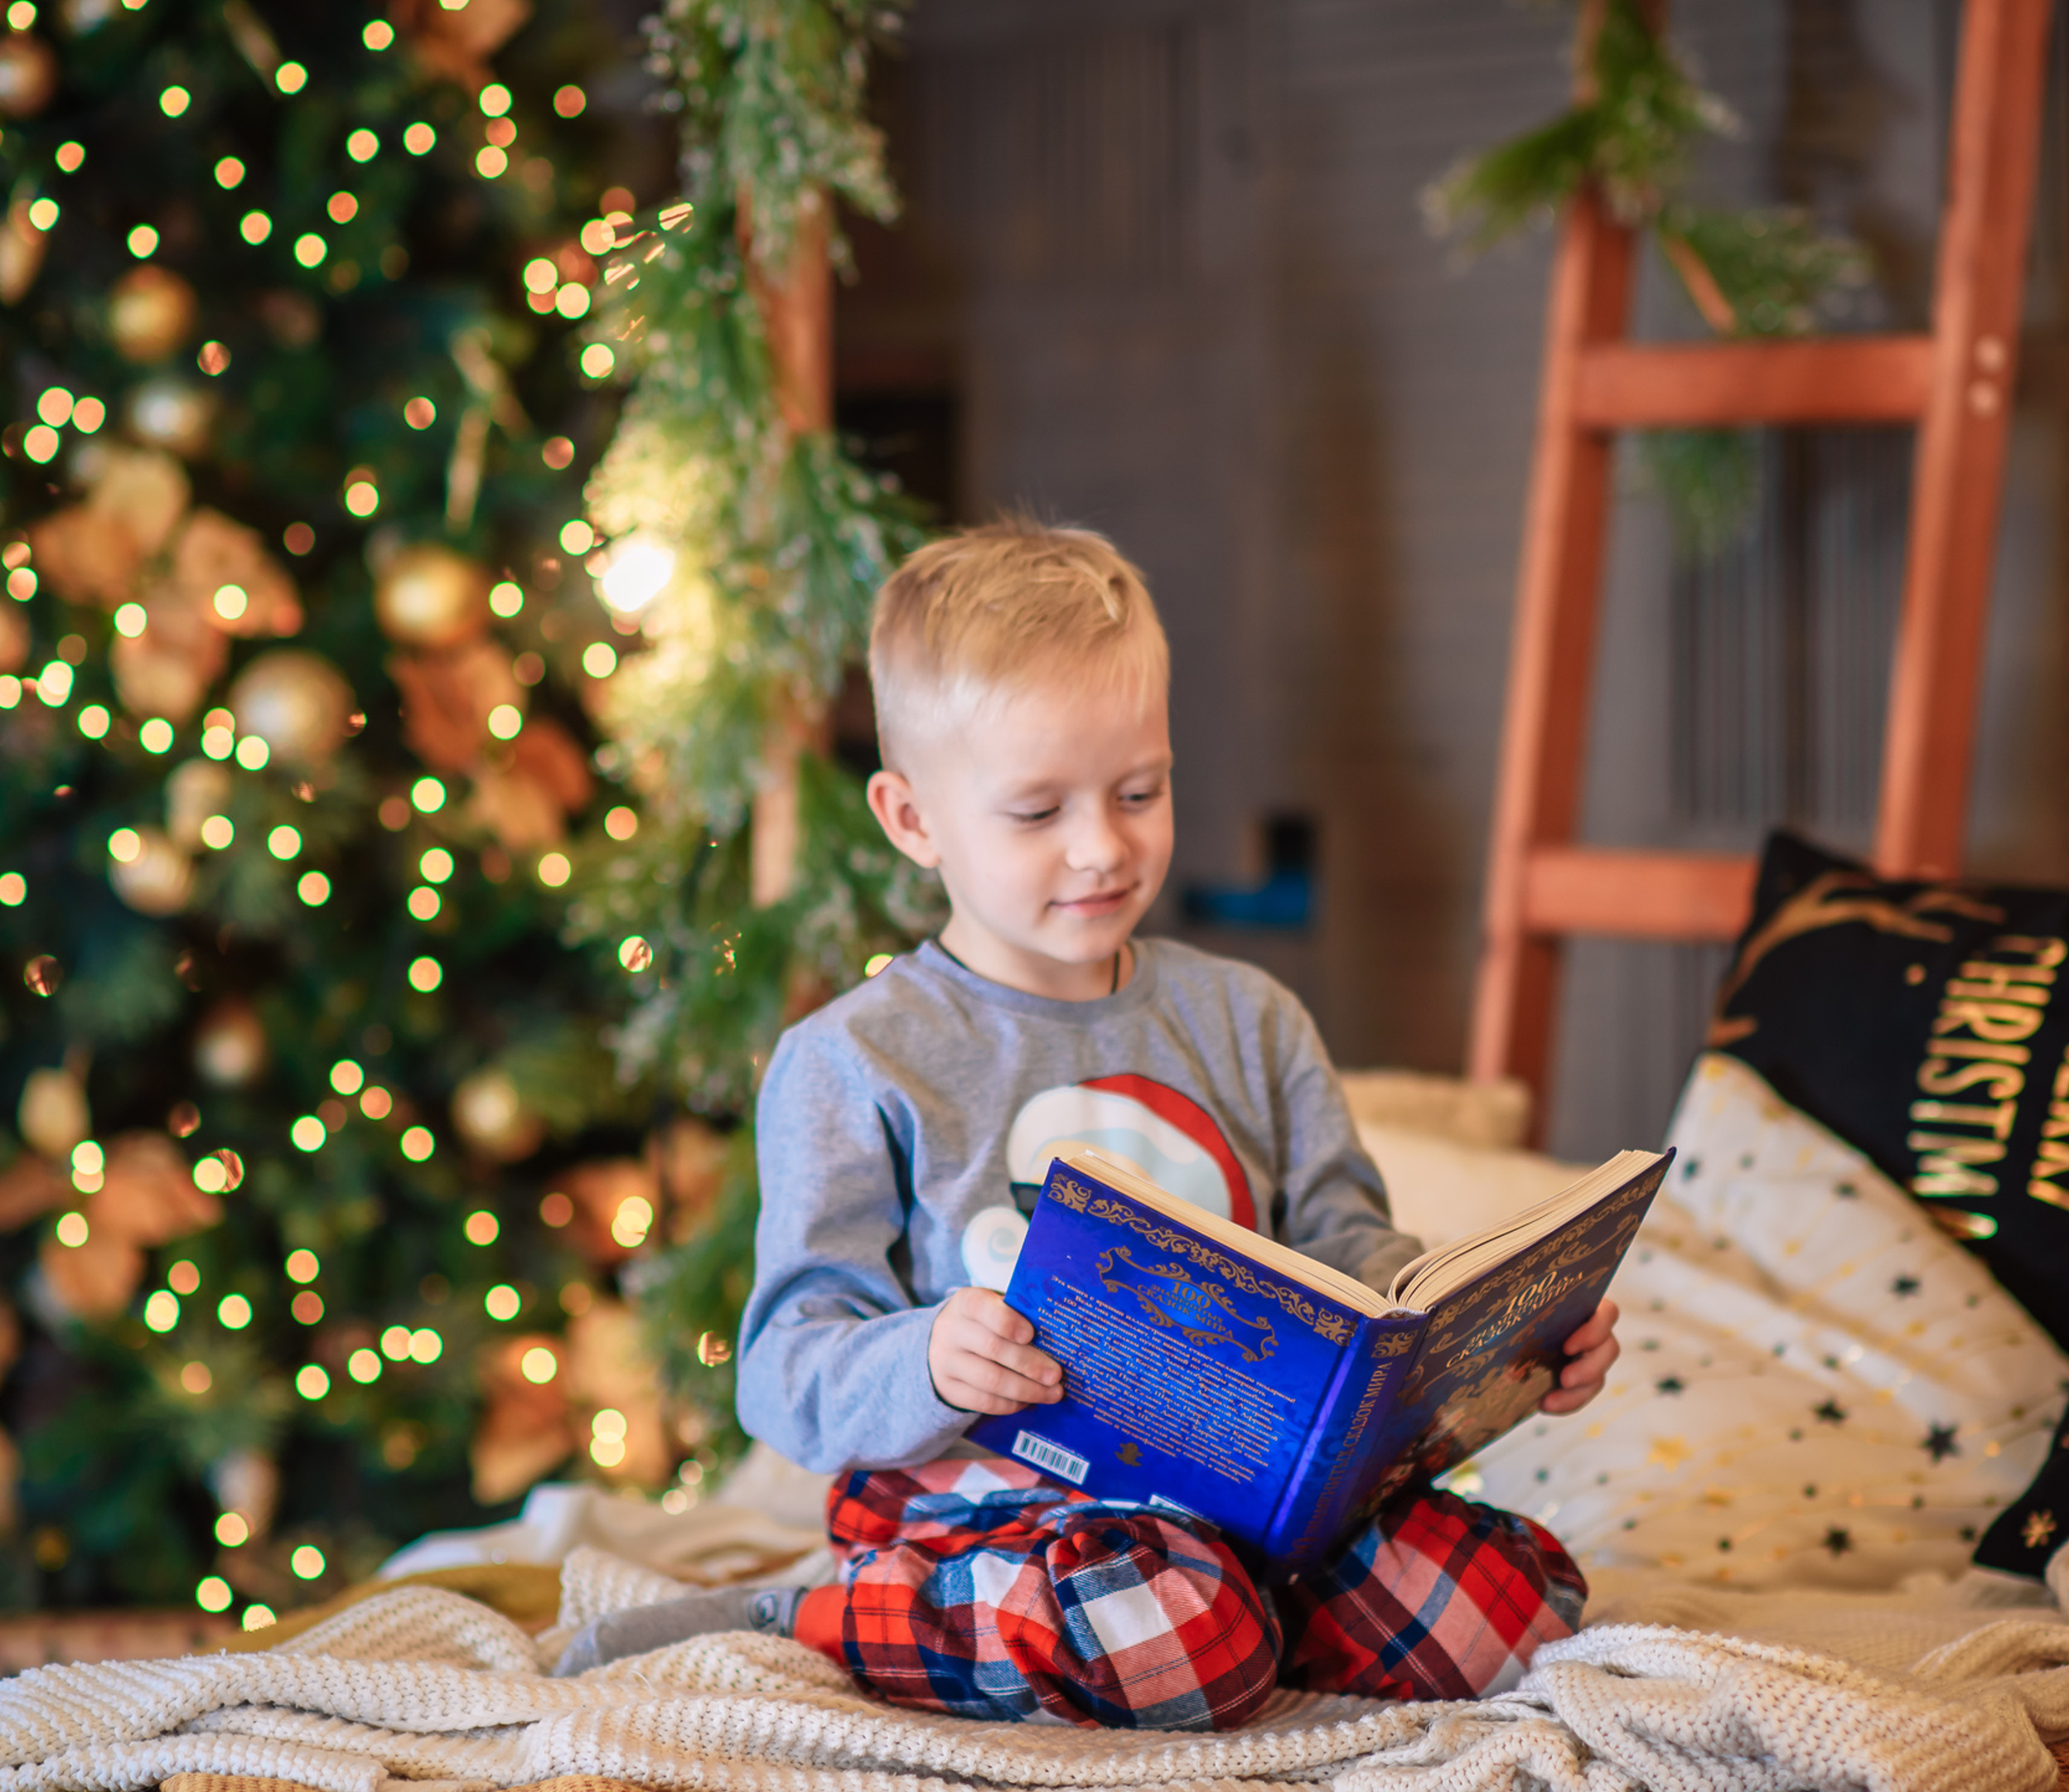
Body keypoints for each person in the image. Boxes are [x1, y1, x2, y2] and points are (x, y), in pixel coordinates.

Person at [555, 519, 1619, 1727]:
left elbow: (1349, 1250)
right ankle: (807, 1618)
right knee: (1190, 1632)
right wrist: (928, 1358)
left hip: (1233, 1505)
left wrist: (1488, 1336)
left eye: (1138, 791)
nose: (1101, 847)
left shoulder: (1249, 1018)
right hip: (982, 1501)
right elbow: (787, 1369)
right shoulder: (855, 1058)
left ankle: (1223, 1630)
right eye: (1035, 811)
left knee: (1516, 1604)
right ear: (913, 821)